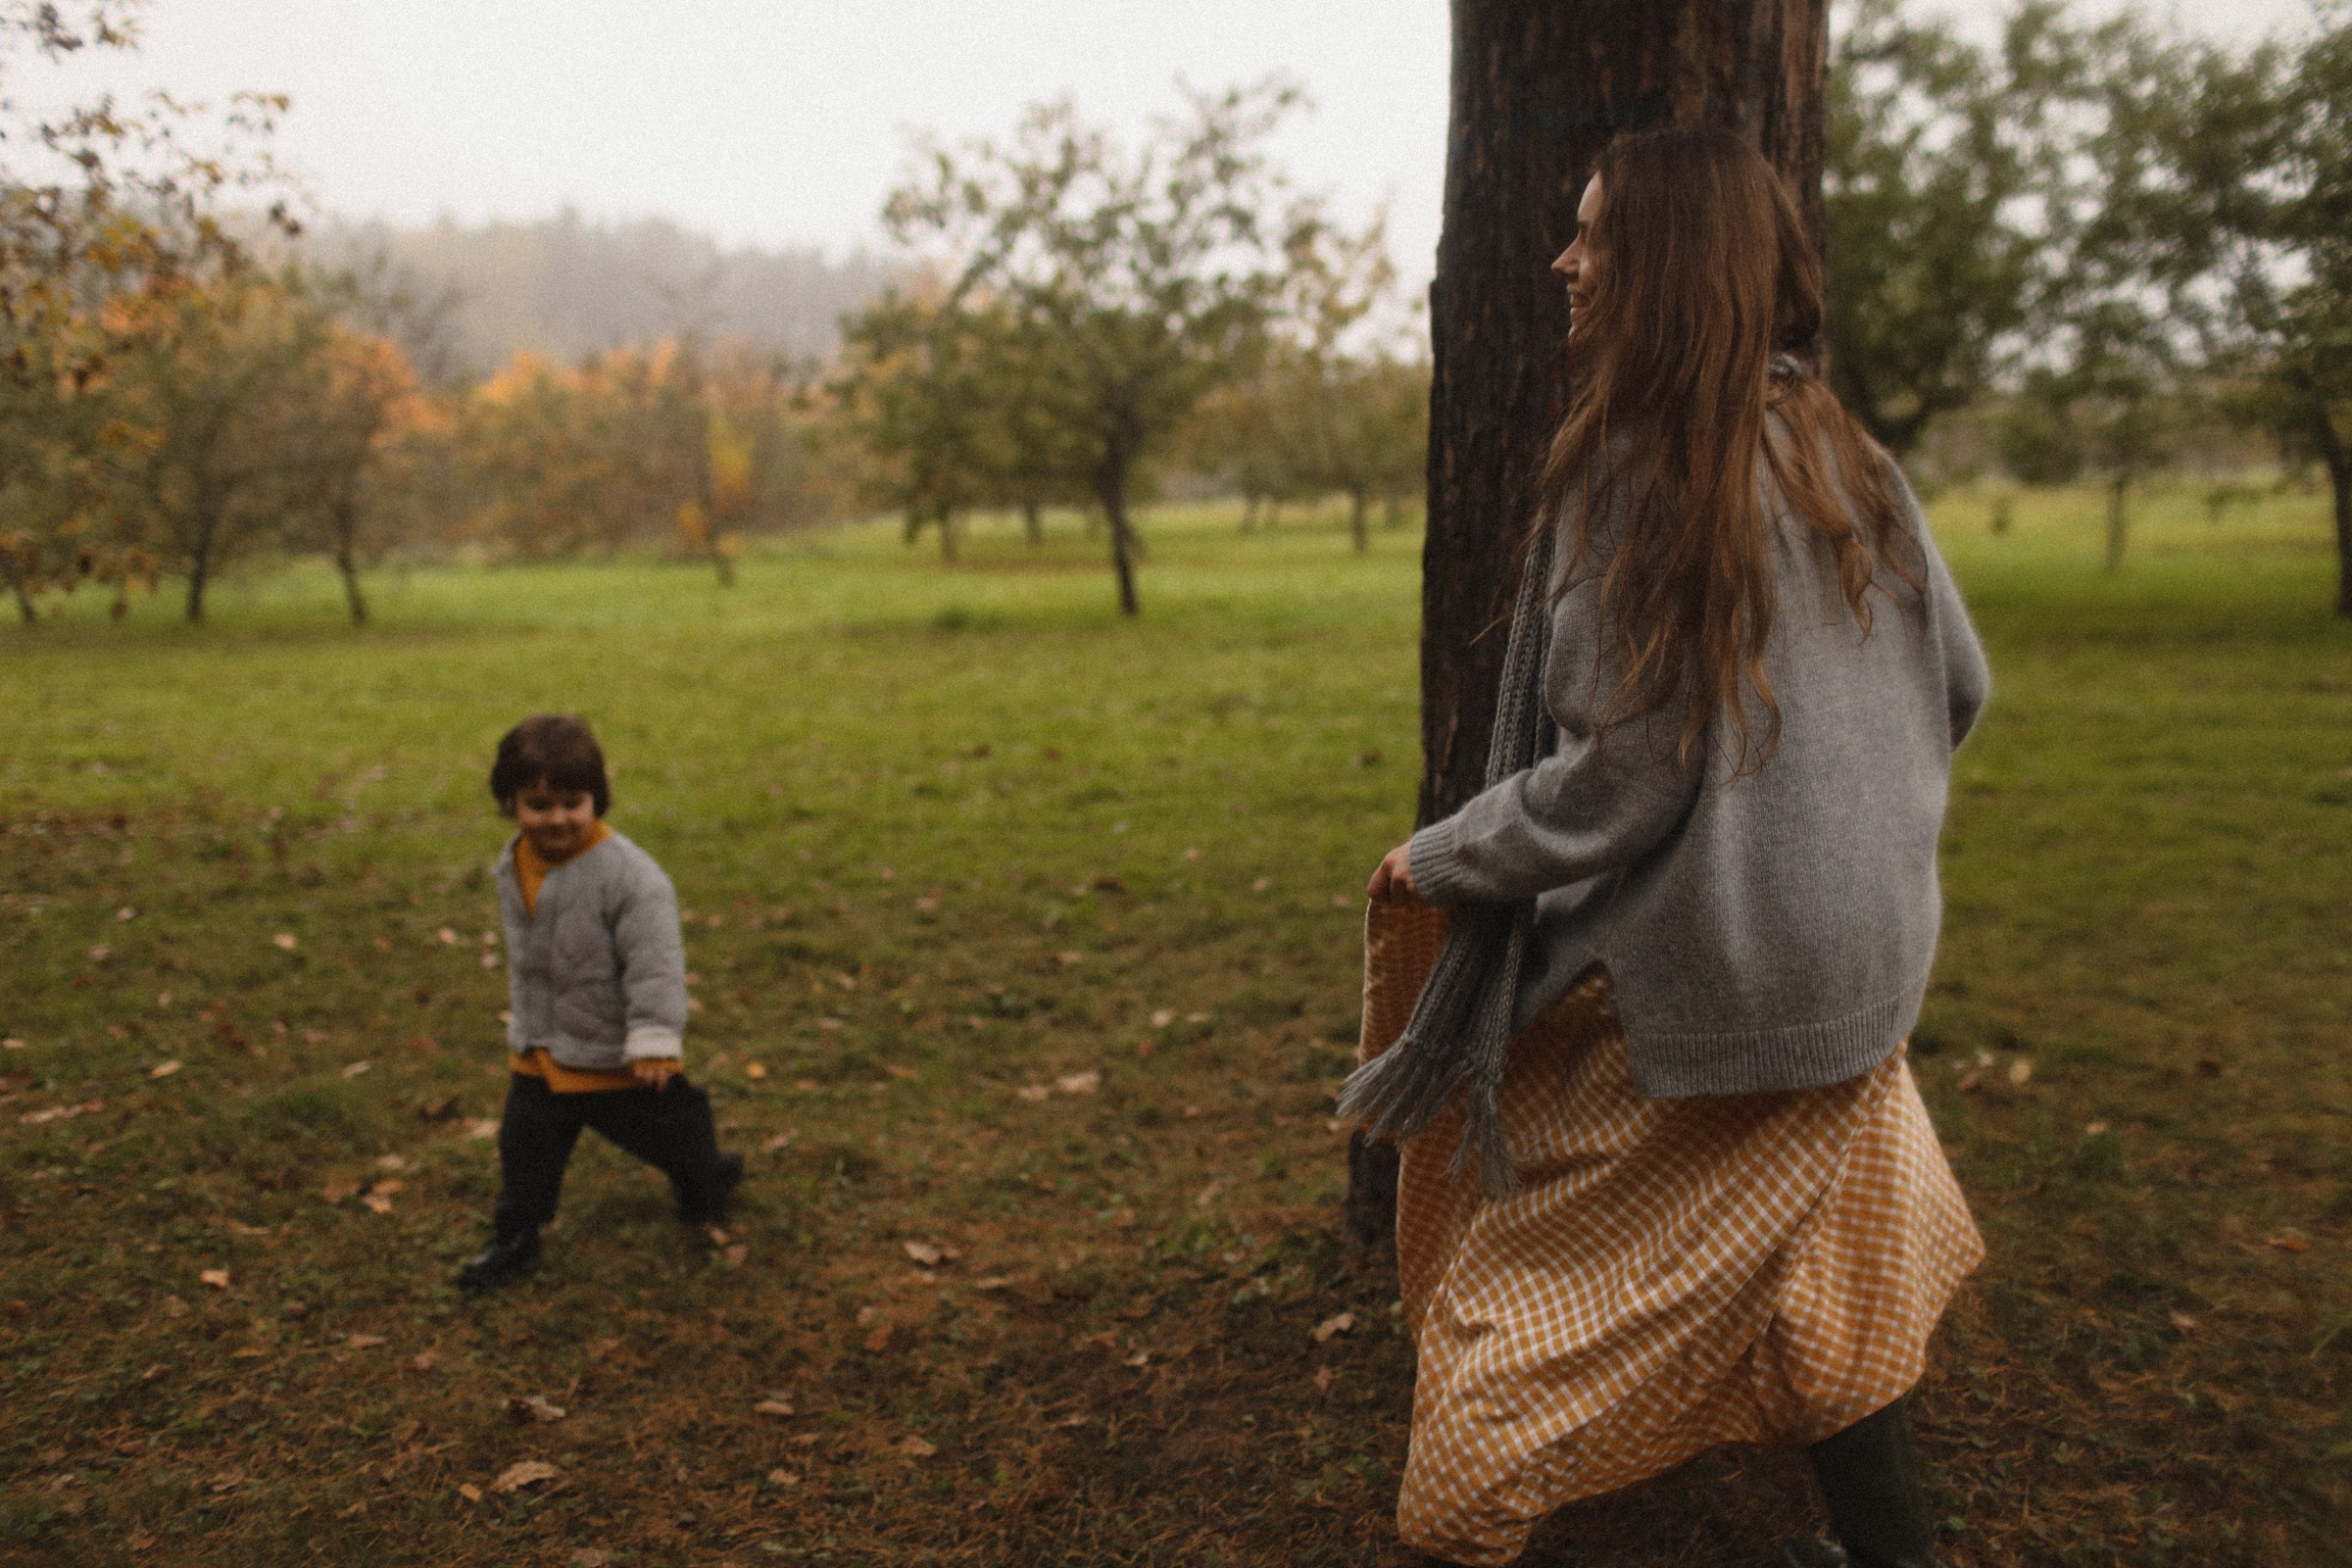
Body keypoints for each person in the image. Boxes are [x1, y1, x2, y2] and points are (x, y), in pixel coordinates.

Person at [1348, 125, 1989, 1568]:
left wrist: (1446, 853)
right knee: (1826, 1286)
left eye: (1596, 239)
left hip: (1727, 993)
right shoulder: (1841, 451)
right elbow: (1957, 688)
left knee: (1505, 1349)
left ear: (1671, 274)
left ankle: (1485, 1518)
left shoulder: (1643, 476)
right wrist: (1839, 830)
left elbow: (1625, 783)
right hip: (1866, 989)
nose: (1565, 263)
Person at [458, 713, 742, 1292]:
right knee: (524, 1149)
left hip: (619, 1056)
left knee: (673, 1134)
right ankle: (516, 1234)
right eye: (539, 805)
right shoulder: (515, 862)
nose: (557, 818)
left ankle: (707, 1177)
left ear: (598, 799)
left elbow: (656, 963)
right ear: (510, 803)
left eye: (573, 802)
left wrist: (656, 1038)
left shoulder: (632, 880)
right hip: (541, 1049)